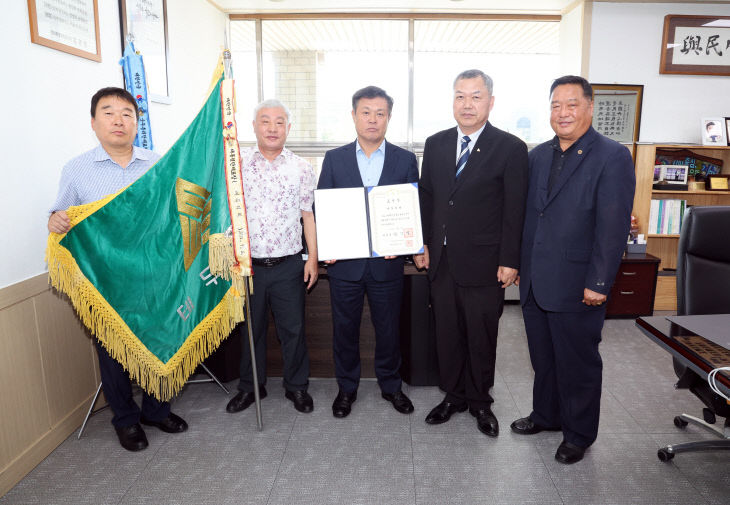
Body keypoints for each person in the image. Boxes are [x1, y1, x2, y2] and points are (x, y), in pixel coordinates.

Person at [48, 87, 188, 452]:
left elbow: (173, 215)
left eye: (127, 113)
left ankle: (157, 411)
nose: (118, 120)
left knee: (160, 341)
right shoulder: (77, 169)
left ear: (137, 122)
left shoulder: (157, 164)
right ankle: (125, 420)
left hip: (154, 277)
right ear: (94, 123)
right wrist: (56, 220)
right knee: (113, 353)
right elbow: (59, 214)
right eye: (108, 113)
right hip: (105, 281)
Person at [511, 75, 635, 464]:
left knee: (577, 362)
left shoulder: (612, 156)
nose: (562, 113)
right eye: (555, 105)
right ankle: (546, 415)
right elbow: (529, 217)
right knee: (543, 358)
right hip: (535, 279)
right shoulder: (537, 155)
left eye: (571, 104)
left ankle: (579, 433)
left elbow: (612, 226)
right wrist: (517, 265)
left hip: (579, 281)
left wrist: (599, 281)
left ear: (590, 107)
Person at [415, 69, 528, 437]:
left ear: (490, 102)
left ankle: (480, 401)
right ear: (452, 101)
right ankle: (454, 396)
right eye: (460, 96)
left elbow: (515, 209)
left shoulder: (510, 148)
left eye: (476, 96)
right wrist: (422, 245)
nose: (467, 104)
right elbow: (427, 198)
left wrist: (510, 260)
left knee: (481, 335)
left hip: (485, 263)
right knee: (446, 334)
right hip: (441, 261)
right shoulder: (435, 143)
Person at [318, 86, 418, 418]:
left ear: (388, 117)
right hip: (345, 266)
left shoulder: (405, 159)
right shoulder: (334, 158)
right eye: (366, 112)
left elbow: (412, 211)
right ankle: (346, 389)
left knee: (389, 329)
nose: (373, 119)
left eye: (380, 113)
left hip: (387, 266)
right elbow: (324, 207)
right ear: (353, 115)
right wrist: (327, 246)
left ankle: (392, 386)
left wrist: (404, 245)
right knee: (344, 329)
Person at [225, 99, 318, 415]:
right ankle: (251, 387)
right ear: (254, 126)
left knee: (293, 330)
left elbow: (308, 216)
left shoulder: (302, 168)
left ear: (288, 128)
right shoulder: (236, 165)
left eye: (280, 122)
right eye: (265, 121)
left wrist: (312, 259)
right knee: (251, 331)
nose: (273, 127)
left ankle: (297, 387)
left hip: (288, 264)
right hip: (248, 266)